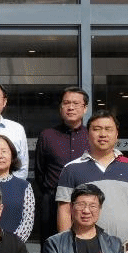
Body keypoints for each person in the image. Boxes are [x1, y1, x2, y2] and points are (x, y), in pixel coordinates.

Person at [55, 110, 128, 253]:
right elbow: (65, 211)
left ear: (116, 134)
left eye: (108, 129)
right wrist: (68, 250)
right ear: (87, 134)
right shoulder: (71, 169)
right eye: (97, 129)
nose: (103, 134)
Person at [33, 87, 90, 242]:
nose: (71, 107)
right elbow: (40, 171)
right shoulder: (47, 136)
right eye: (66, 103)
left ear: (85, 108)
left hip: (86, 203)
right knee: (52, 245)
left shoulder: (91, 136)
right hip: (52, 201)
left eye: (76, 103)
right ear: (60, 107)